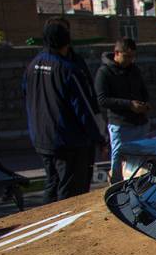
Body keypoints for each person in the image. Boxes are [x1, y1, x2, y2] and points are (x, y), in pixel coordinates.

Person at [23, 20, 104, 202]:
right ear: (67, 41)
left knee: (52, 186)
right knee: (71, 194)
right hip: (68, 141)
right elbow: (85, 108)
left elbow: (26, 96)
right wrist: (100, 137)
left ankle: (47, 223)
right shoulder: (68, 70)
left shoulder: (32, 67)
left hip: (42, 139)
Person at [96, 38, 151, 184]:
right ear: (117, 53)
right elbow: (102, 99)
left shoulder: (134, 70)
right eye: (127, 56)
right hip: (120, 124)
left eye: (132, 56)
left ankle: (140, 184)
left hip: (140, 122)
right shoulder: (104, 72)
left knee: (141, 159)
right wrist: (129, 105)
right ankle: (116, 185)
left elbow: (143, 90)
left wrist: (145, 104)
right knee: (118, 158)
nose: (130, 60)